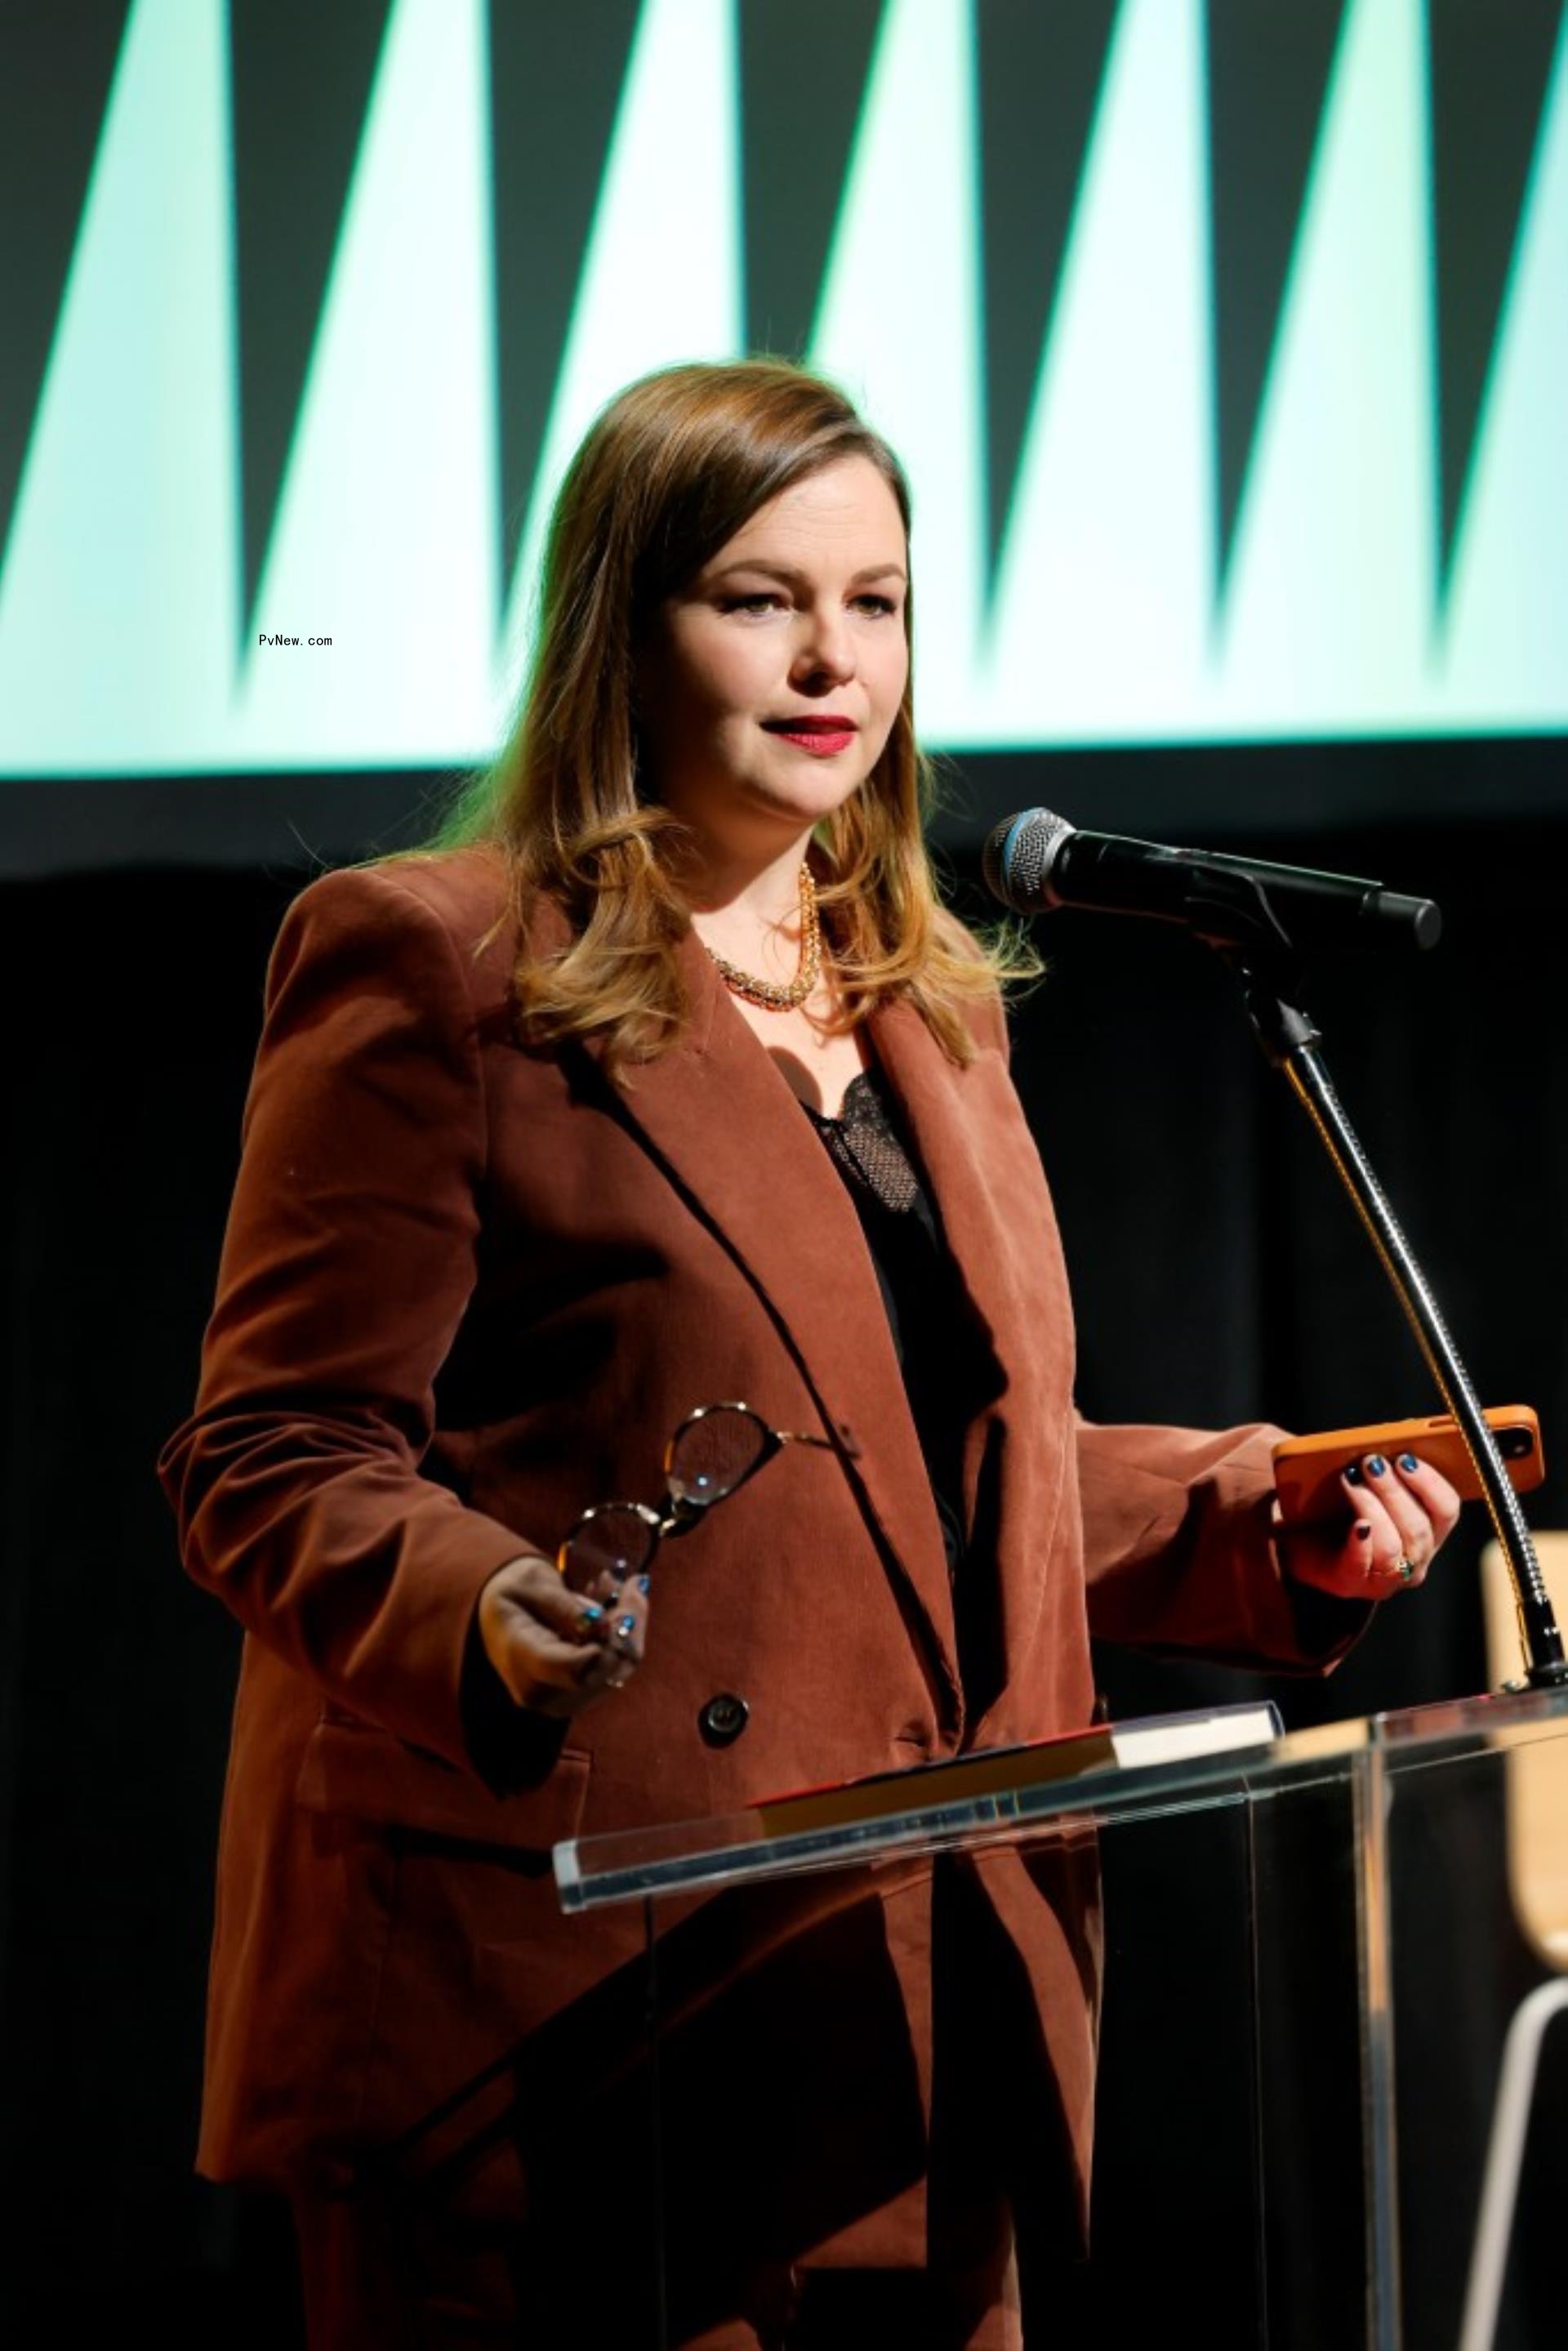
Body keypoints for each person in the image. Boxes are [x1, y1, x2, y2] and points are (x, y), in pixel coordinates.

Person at [159, 359, 1459, 2349]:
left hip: (920, 2006)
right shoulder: (438, 961)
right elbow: (270, 1448)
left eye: (879, 600)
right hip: (576, 2017)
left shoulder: (935, 1009)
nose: (830, 654)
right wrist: (481, 1603)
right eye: (760, 597)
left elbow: (921, 1469)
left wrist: (1269, 1524)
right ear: (628, 621)